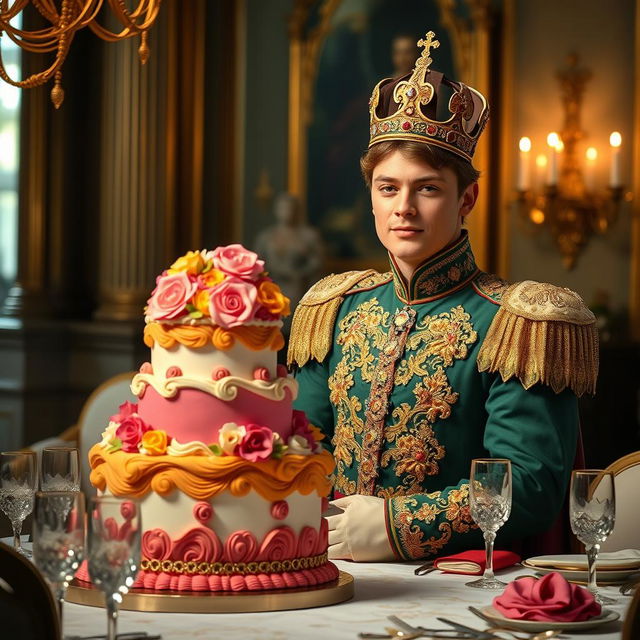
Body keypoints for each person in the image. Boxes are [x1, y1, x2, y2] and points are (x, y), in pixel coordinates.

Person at [287, 31, 598, 562]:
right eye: (388, 188)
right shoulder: (333, 309)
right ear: (371, 197)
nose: (403, 206)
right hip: (324, 567)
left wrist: (393, 525)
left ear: (466, 198)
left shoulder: (521, 323)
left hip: (455, 584)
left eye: (426, 188)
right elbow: (299, 446)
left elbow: (530, 488)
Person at [254, 192, 324, 334]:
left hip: (298, 289)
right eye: (283, 208)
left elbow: (318, 261)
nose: (286, 212)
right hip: (272, 290)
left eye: (290, 208)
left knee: (296, 331)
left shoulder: (307, 236)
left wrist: (301, 272)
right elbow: (256, 264)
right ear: (276, 210)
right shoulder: (267, 237)